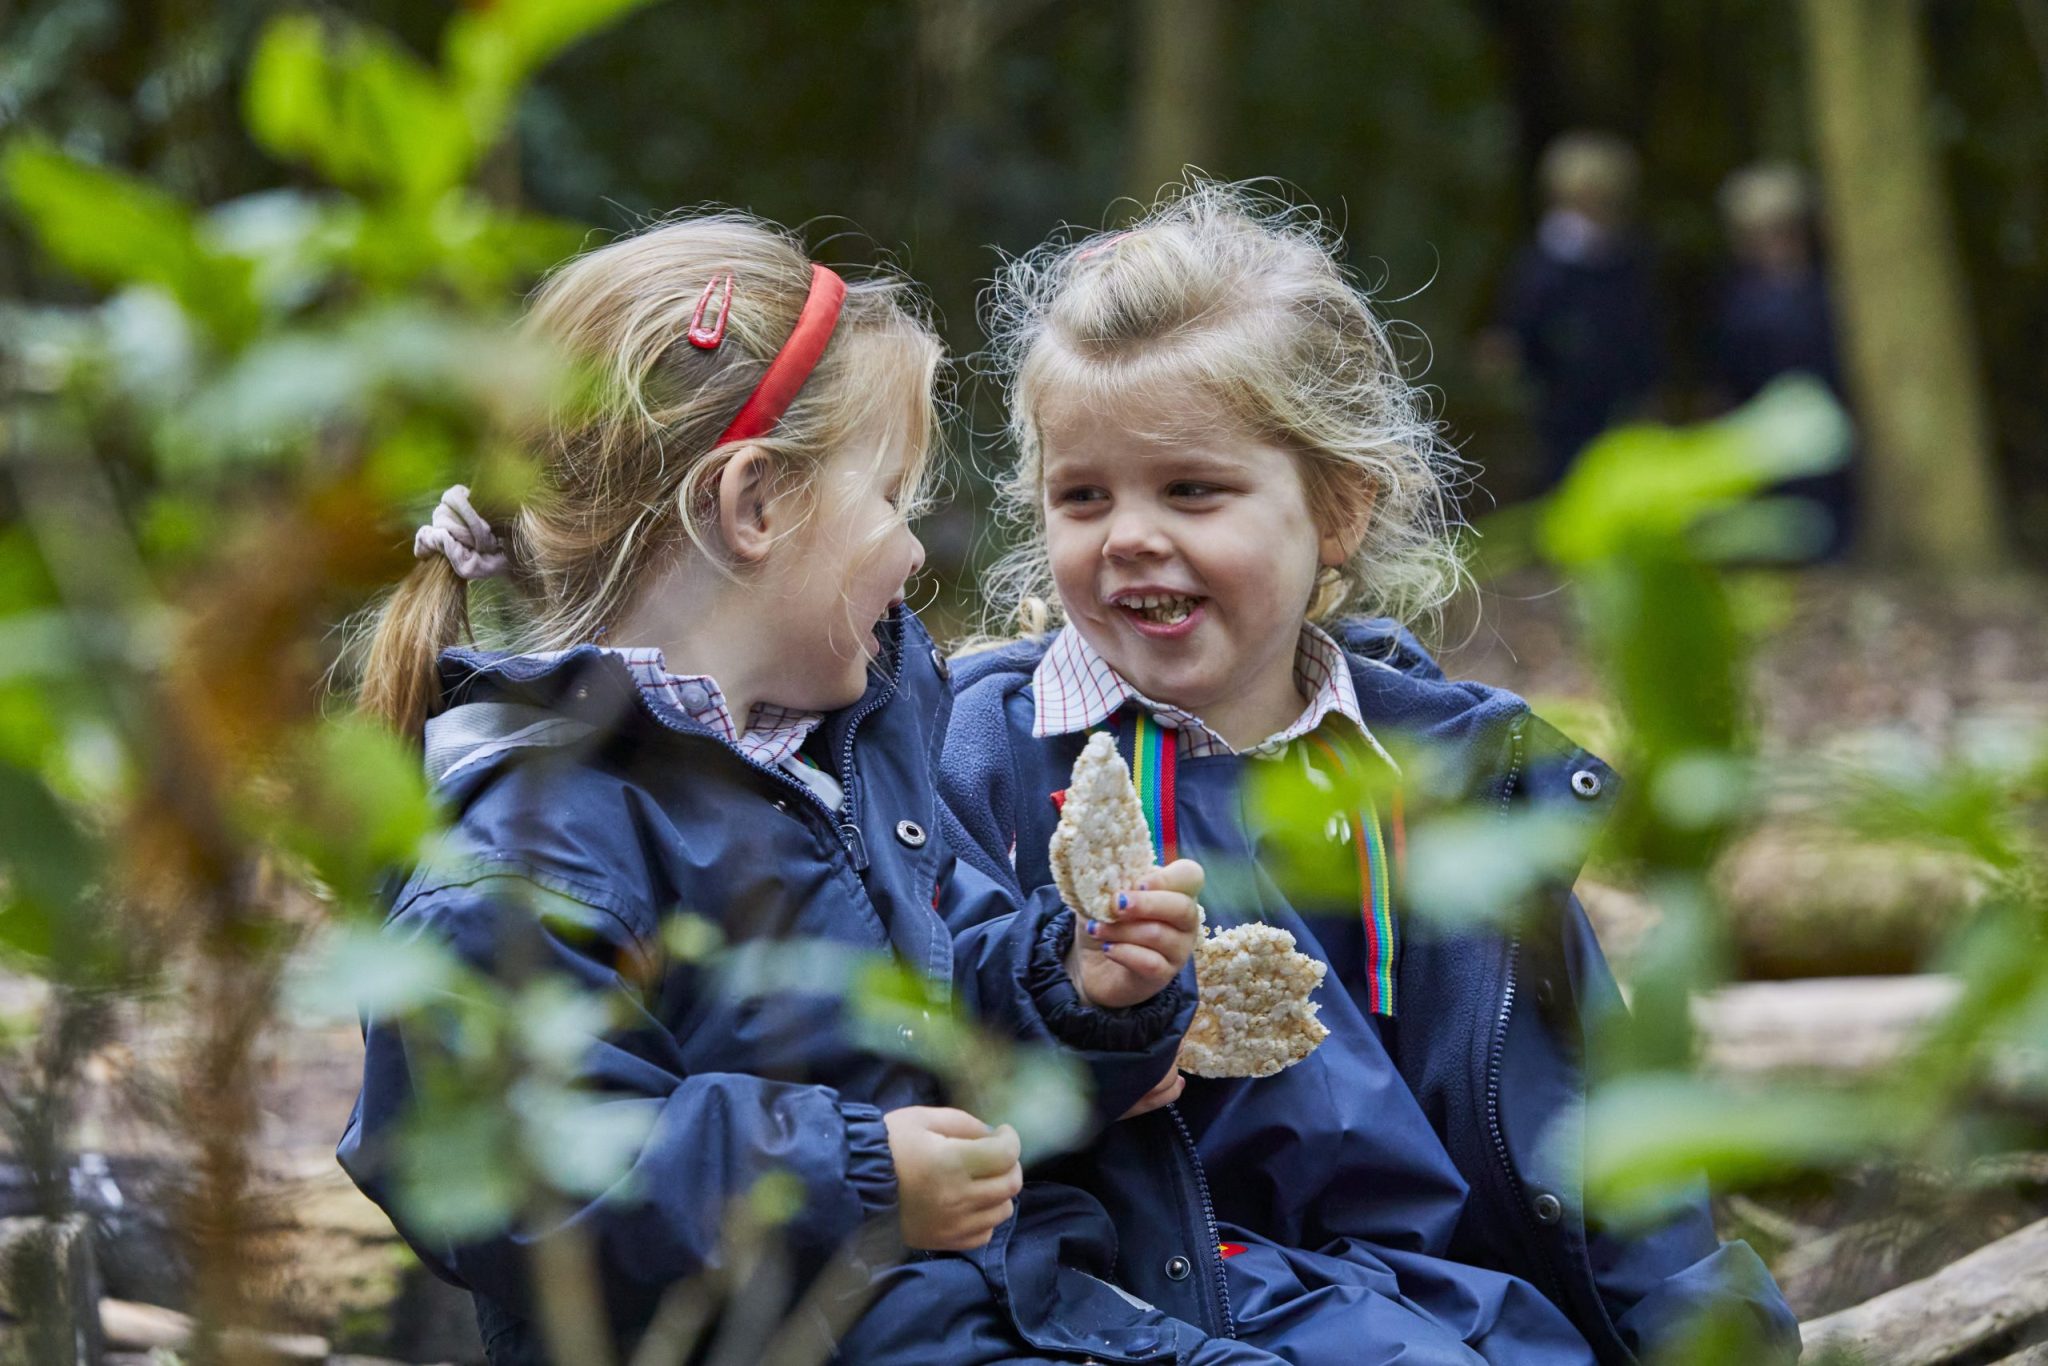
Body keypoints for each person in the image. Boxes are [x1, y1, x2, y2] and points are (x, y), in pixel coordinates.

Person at [940, 180, 1801, 1363]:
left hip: (1469, 1312)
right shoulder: (985, 758)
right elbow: (941, 1074)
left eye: (1191, 488)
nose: (1128, 532)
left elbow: (1595, 1129)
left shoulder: (1448, 778)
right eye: (1081, 496)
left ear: (1336, 509)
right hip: (1169, 1312)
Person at [336, 214, 1216, 1364]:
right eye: (890, 493)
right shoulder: (530, 843)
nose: (911, 551)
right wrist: (850, 1178)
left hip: (1004, 1307)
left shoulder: (846, 743)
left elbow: (930, 1007)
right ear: (752, 505)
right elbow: (509, 1166)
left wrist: (1071, 988)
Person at [1484, 131, 1665, 488]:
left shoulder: (1626, 260)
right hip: (1558, 407)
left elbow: (1642, 331)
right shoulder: (1542, 265)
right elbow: (1516, 338)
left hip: (1619, 405)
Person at [1713, 161, 1854, 556]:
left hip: (1833, 429)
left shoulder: (1830, 286)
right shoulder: (1736, 293)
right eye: (1757, 230)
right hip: (1765, 428)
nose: (1771, 240)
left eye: (1781, 227)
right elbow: (1729, 364)